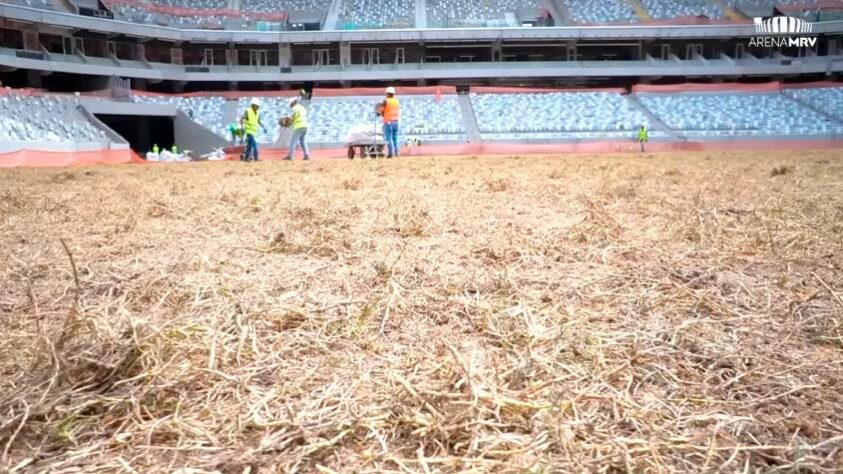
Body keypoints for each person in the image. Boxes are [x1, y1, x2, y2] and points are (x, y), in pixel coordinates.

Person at [283, 97, 310, 161]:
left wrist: (286, 122)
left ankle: (290, 156)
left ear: (294, 102)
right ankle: (306, 155)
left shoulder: (294, 108)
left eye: (291, 104)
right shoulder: (302, 108)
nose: (291, 105)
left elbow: (290, 119)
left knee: (293, 141)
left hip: (299, 126)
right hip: (305, 126)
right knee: (302, 141)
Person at [241, 98, 267, 162]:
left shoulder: (258, 112)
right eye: (257, 106)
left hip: (254, 131)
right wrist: (242, 127)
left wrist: (263, 127)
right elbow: (242, 119)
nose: (258, 107)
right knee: (254, 144)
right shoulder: (248, 110)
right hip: (249, 131)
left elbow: (258, 121)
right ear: (252, 105)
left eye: (258, 106)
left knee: (249, 146)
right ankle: (256, 158)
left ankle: (246, 158)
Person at [377, 86, 400, 158]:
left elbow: (381, 110)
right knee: (395, 138)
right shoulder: (396, 101)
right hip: (396, 121)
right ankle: (397, 153)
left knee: (389, 138)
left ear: (387, 94)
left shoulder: (386, 101)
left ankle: (391, 154)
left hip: (388, 122)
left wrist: (379, 112)